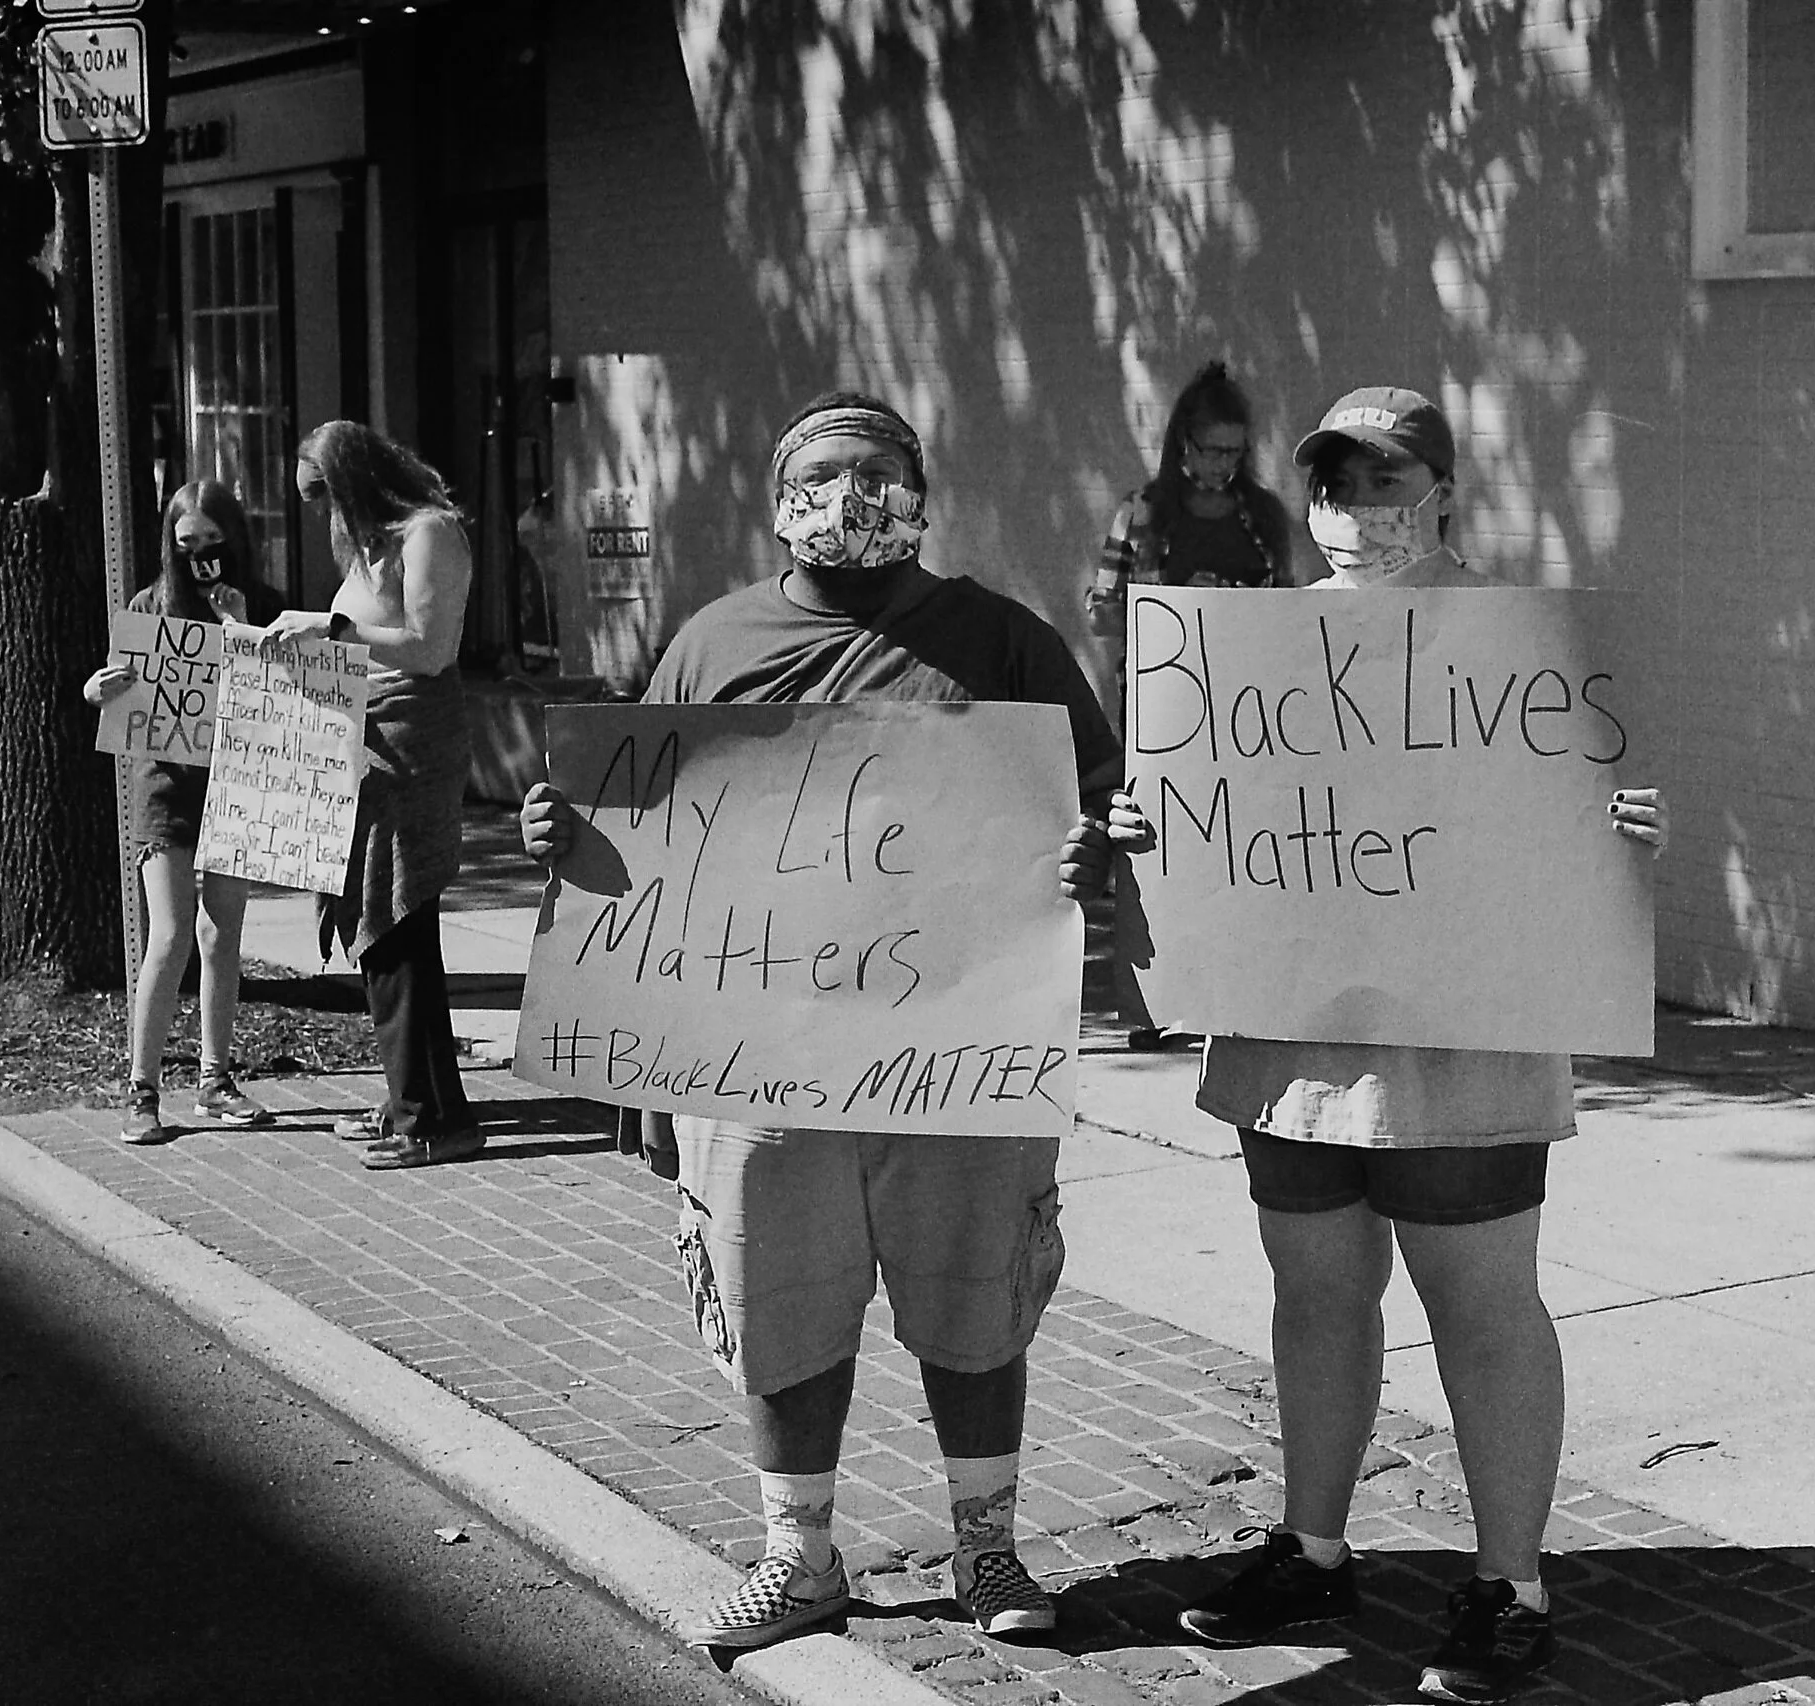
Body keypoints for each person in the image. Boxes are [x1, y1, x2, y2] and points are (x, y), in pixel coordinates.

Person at [519, 390, 1152, 1651]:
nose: (848, 499)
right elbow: (645, 831)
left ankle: (987, 1548)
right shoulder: (713, 643)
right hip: (763, 1057)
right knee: (778, 1301)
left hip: (958, 1051)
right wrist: (562, 834)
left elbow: (1104, 804)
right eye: (820, 476)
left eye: (876, 474)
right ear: (776, 502)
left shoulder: (1002, 640)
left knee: (976, 1300)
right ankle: (797, 1558)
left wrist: (1104, 853)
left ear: (921, 494)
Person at [1168, 388, 1663, 1706]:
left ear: (1441, 490)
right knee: (1315, 1293)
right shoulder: (1250, 651)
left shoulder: (1519, 642)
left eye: (1384, 484)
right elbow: (1212, 821)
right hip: (1297, 1033)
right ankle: (1314, 1544)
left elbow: (1587, 823)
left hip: (1467, 1035)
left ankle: (1512, 1588)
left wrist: (1618, 829)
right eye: (1331, 486)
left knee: (1483, 1306)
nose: (1354, 512)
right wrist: (1152, 815)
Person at [260, 421, 478, 1170]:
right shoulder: (367, 543)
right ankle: (414, 1099)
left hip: (410, 749)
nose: (323, 511)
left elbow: (430, 645)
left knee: (399, 925)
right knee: (382, 929)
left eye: (325, 493)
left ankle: (430, 1119)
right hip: (360, 742)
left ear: (359, 478)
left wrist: (333, 626)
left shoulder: (430, 533)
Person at [1083, 360, 1294, 1051]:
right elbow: (1102, 609)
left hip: (1244, 712)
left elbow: (1286, 608)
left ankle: (1230, 997)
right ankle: (1151, 1007)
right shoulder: (1145, 512)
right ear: (1182, 445)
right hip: (1159, 711)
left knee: (1234, 848)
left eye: (1234, 452)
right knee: (1152, 850)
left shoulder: (1259, 516)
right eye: (1209, 451)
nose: (1220, 466)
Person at [83, 482, 285, 1144]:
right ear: (170, 546)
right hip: (165, 787)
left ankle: (215, 1079)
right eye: (186, 543)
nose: (201, 555)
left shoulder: (264, 606)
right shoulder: (151, 606)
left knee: (221, 932)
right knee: (168, 935)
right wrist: (97, 689)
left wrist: (246, 627)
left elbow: (290, 695)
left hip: (236, 784)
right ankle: (142, 1087)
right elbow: (119, 682)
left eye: (212, 541)